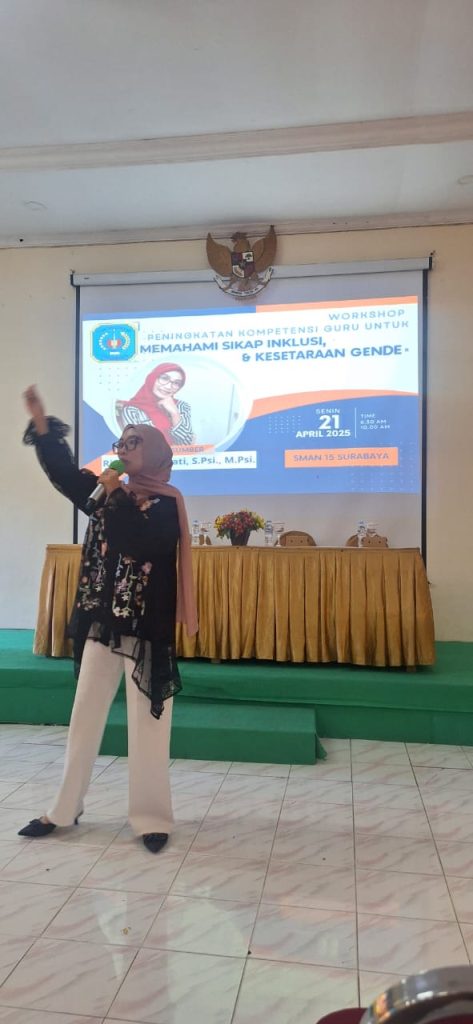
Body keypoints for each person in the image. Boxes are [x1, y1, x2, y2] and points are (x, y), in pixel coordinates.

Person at [19, 385, 198, 854]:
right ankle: (64, 809)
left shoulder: (164, 503)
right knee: (83, 716)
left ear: (154, 452)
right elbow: (65, 475)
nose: (122, 448)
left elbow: (139, 542)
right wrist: (42, 424)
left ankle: (151, 817)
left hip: (143, 626)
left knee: (149, 721)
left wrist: (115, 492)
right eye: (120, 442)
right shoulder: (106, 492)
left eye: (132, 443)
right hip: (102, 622)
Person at [116, 362, 194, 446]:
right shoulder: (132, 410)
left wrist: (175, 414)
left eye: (176, 383)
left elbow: (187, 444)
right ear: (152, 378)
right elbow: (137, 445)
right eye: (164, 378)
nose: (168, 386)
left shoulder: (182, 406)